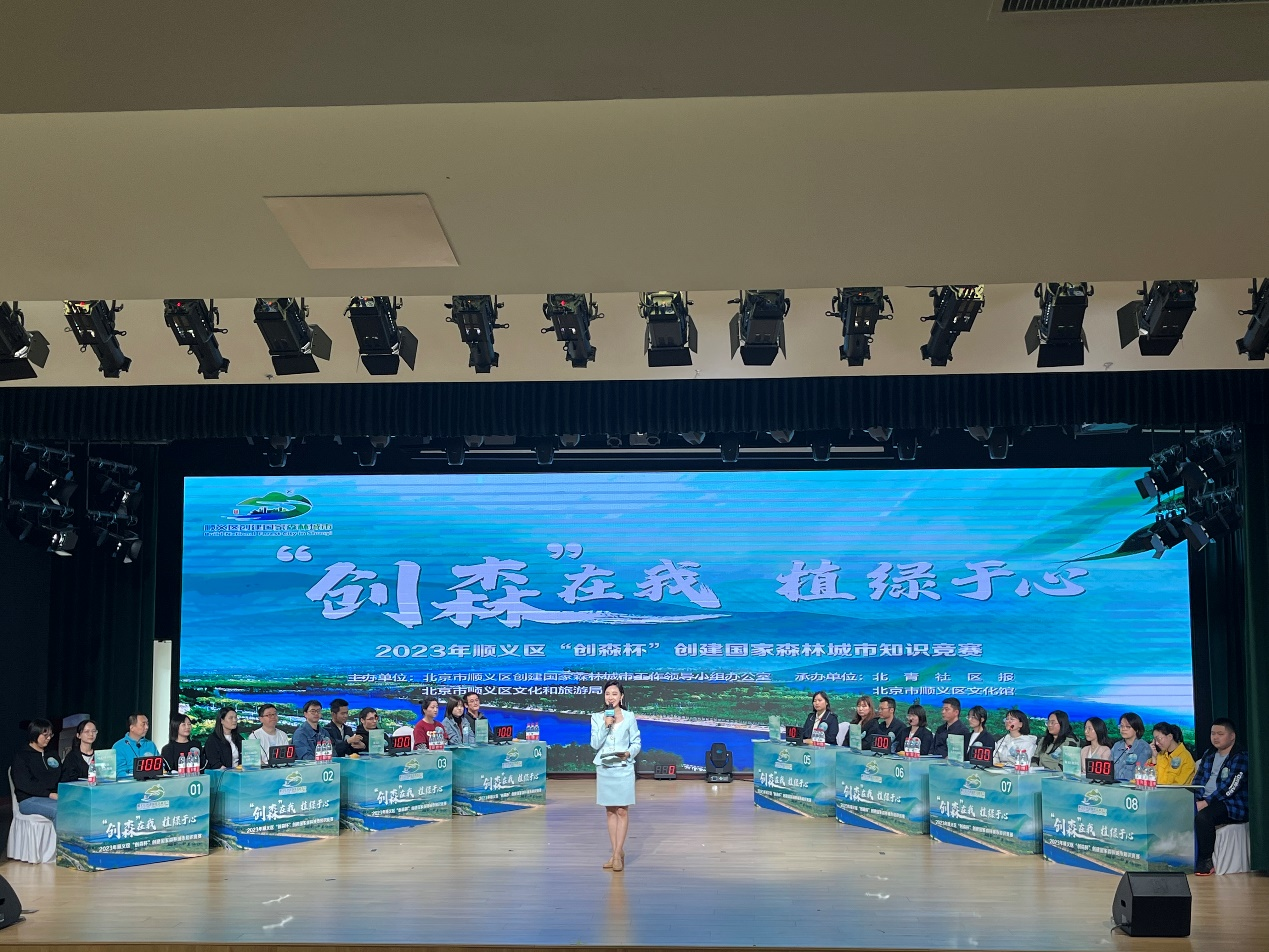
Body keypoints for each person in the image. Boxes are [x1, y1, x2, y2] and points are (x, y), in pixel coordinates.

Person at [590, 680, 641, 873]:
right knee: (611, 811)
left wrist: (628, 753)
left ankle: (617, 854)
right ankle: (616, 852)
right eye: (607, 694)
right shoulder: (597, 717)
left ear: (621, 696)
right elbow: (595, 744)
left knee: (622, 811)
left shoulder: (629, 717)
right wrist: (605, 725)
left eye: (614, 694)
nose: (610, 697)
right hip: (605, 768)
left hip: (623, 767)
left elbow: (636, 742)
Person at [1193, 717, 1249, 876]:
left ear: (1232, 736)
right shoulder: (1209, 754)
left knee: (1204, 818)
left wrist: (1207, 802)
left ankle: (1206, 860)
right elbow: (1198, 779)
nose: (1215, 737)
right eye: (1213, 734)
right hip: (1205, 799)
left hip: (1231, 803)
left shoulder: (1240, 756)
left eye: (1220, 734)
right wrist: (1196, 798)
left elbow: (1232, 786)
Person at [12, 719, 61, 820]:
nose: (48, 738)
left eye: (50, 735)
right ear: (34, 734)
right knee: (60, 810)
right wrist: (49, 794)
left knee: (76, 807)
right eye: (45, 735)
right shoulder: (22, 756)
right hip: (29, 799)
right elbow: (24, 783)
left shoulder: (52, 754)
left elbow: (61, 775)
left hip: (53, 797)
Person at [112, 712, 159, 780]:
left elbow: (159, 766)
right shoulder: (119, 747)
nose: (147, 727)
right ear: (132, 728)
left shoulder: (151, 745)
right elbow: (119, 773)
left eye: (147, 724)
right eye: (143, 724)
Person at [1110, 712, 1151, 782]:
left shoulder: (1143, 748)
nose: (1123, 729)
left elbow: (1142, 773)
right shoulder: (1117, 746)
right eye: (1121, 726)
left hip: (1133, 786)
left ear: (1137, 729)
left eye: (1128, 727)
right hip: (1114, 785)